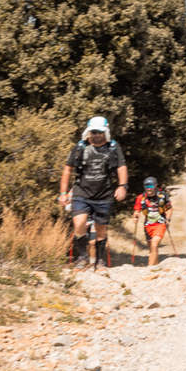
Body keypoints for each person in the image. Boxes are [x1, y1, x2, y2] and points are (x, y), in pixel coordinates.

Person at [59, 117, 127, 273]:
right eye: (94, 132)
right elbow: (68, 169)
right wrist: (63, 193)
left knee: (101, 229)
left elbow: (121, 167)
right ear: (89, 132)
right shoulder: (80, 147)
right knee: (79, 223)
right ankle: (82, 258)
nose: (96, 135)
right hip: (81, 193)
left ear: (105, 132)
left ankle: (100, 261)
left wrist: (122, 186)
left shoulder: (113, 147)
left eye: (100, 132)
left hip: (104, 195)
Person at [133, 176, 172, 270]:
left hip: (160, 224)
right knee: (152, 248)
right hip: (148, 226)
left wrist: (168, 219)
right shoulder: (141, 198)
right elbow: (136, 211)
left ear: (155, 185)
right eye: (146, 186)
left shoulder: (162, 196)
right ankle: (156, 267)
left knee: (154, 244)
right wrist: (135, 216)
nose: (148, 188)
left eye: (150, 185)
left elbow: (169, 208)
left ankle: (149, 268)